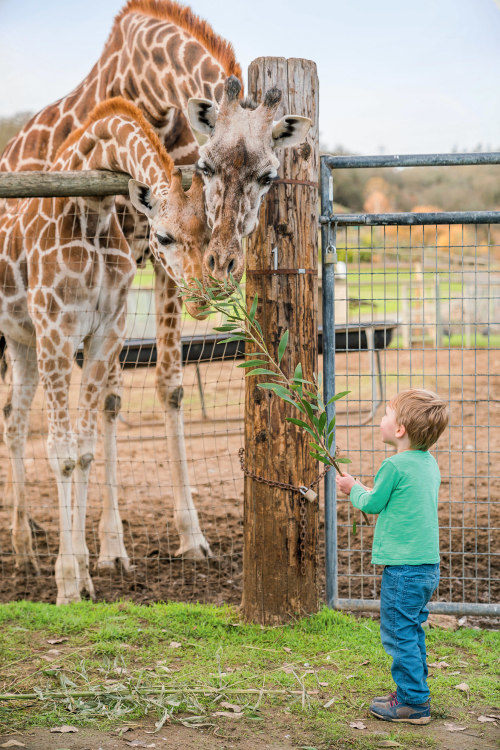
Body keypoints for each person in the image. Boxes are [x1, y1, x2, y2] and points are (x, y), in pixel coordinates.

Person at [336, 389, 449, 725]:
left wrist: (352, 487)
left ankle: (413, 704)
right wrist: (364, 488)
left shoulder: (393, 465)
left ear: (399, 429)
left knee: (398, 633)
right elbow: (397, 501)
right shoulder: (428, 464)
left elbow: (371, 504)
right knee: (411, 630)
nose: (381, 420)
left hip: (403, 570)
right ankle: (411, 692)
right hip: (427, 566)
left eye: (385, 415)